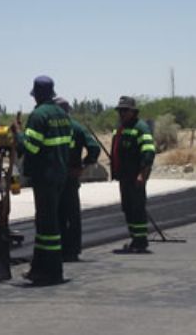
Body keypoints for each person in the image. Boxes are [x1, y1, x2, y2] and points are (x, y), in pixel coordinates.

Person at [12, 76, 72, 285]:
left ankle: (52, 271)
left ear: (37, 94)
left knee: (47, 226)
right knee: (46, 221)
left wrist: (18, 134)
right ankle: (38, 268)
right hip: (60, 176)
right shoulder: (62, 115)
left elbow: (31, 148)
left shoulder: (39, 116)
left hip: (45, 177)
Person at [53, 97, 100, 262]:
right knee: (72, 215)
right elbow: (94, 148)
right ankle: (72, 250)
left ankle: (58, 250)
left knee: (56, 215)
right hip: (70, 178)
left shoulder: (53, 127)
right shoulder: (78, 128)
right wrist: (82, 166)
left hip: (55, 178)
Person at [110, 96, 156, 254]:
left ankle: (141, 241)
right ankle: (134, 238)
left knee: (137, 208)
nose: (122, 113)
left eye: (125, 110)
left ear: (133, 111)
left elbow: (149, 152)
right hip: (124, 177)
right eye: (120, 110)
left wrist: (142, 174)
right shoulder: (121, 128)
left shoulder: (141, 128)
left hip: (135, 176)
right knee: (127, 207)